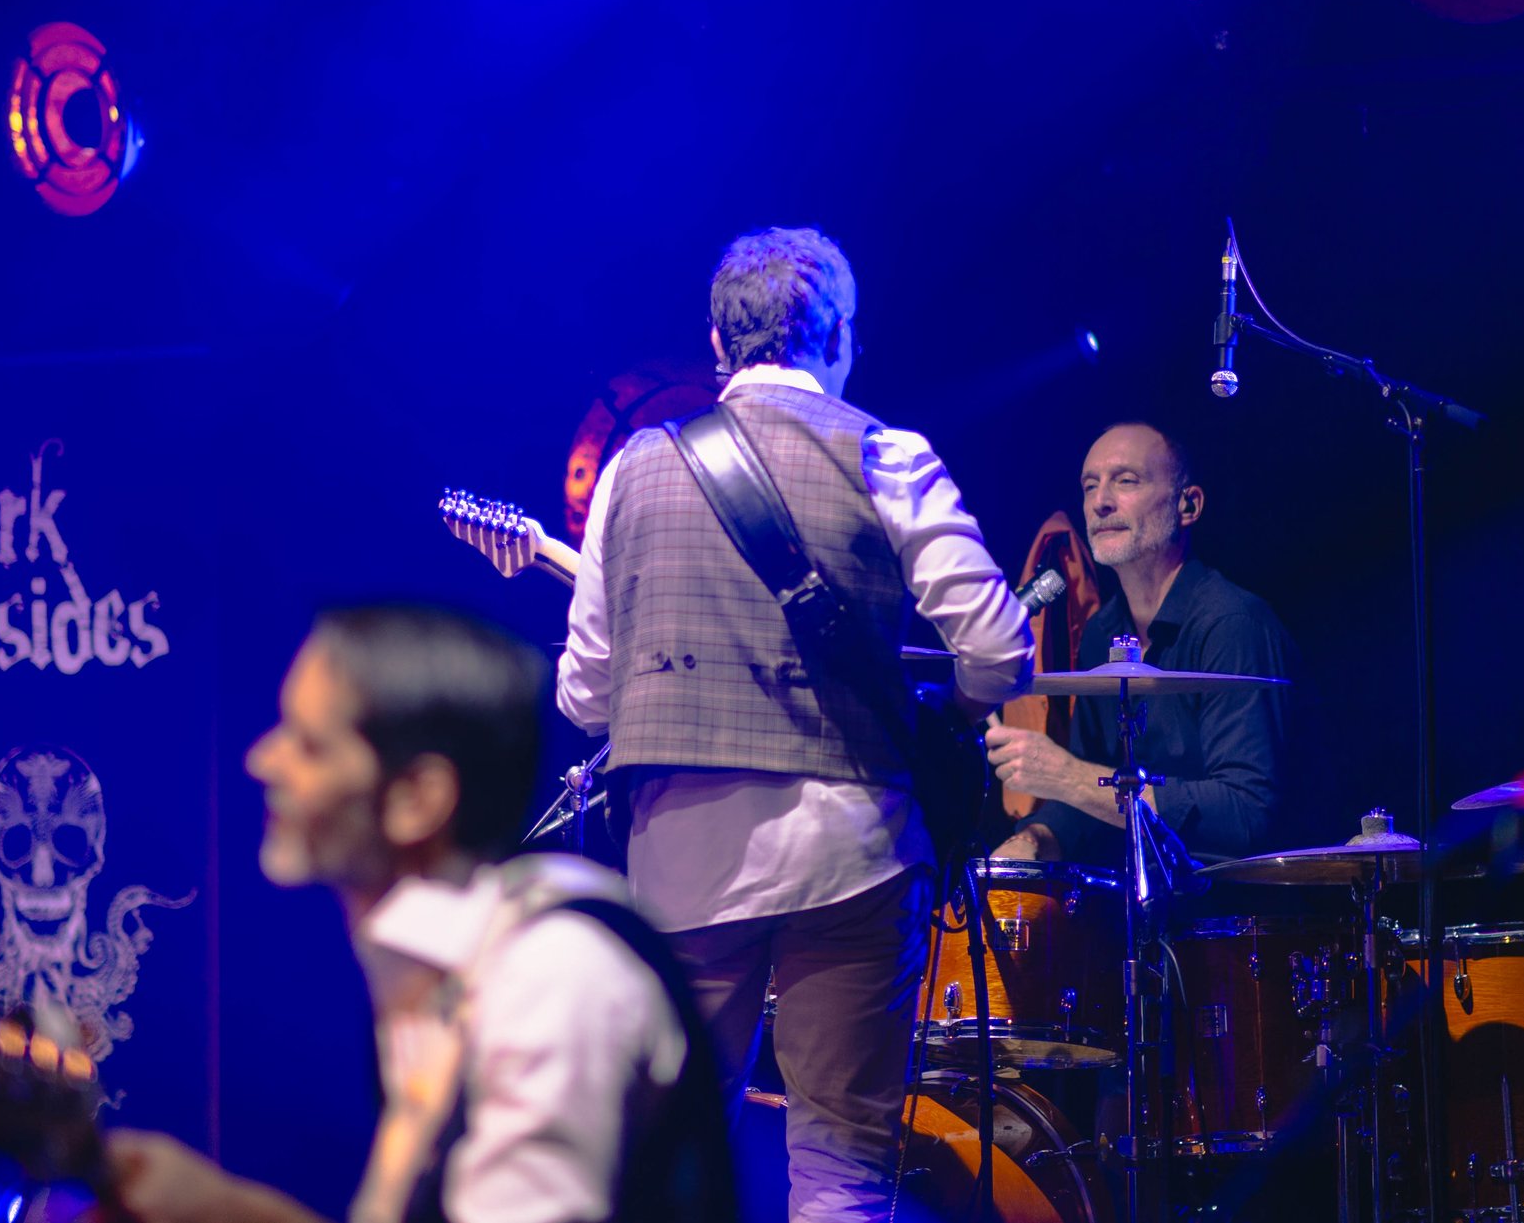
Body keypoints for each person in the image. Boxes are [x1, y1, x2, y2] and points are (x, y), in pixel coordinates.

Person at [556, 226, 1032, 1223]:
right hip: (851, 852)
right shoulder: (886, 455)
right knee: (843, 1170)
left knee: (668, 1170)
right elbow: (998, 652)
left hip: (681, 859)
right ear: (842, 337)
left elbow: (584, 699)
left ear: (718, 344)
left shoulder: (631, 471)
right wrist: (948, 708)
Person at [104, 605, 734, 1223]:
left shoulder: (551, 975)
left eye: (310, 745)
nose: (263, 760)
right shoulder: (437, 960)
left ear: (417, 799)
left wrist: (224, 1213)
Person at [988, 420, 1298, 869]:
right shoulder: (1101, 634)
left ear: (1187, 505)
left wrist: (1070, 778)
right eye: (1089, 486)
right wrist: (1036, 839)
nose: (1100, 502)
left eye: (1126, 481)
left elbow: (1247, 814)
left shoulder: (1233, 623)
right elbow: (1090, 798)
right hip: (1136, 919)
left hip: (1236, 922)